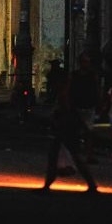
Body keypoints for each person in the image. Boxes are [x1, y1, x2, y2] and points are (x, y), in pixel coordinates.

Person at [39, 66, 98, 194]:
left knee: (64, 156)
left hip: (66, 128)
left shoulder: (65, 93)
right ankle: (47, 185)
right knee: (63, 156)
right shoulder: (67, 92)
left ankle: (91, 185)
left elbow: (68, 111)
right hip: (67, 127)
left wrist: (58, 120)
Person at [69, 52, 101, 163]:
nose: (85, 64)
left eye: (87, 62)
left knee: (89, 132)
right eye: (83, 62)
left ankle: (88, 154)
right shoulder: (75, 75)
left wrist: (98, 102)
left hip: (89, 106)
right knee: (76, 132)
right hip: (77, 106)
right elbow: (70, 88)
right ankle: (75, 154)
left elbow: (97, 89)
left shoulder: (92, 75)